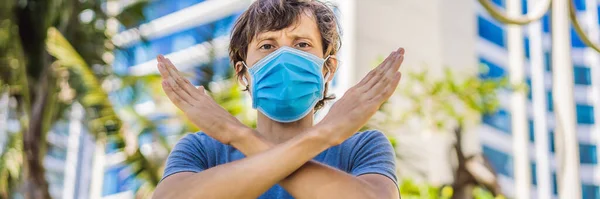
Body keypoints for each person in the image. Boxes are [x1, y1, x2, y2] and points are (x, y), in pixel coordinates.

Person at [152, 0, 404, 198]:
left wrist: (238, 135)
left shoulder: (360, 147)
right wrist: (324, 135)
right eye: (268, 46)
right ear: (243, 74)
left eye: (302, 44)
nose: (284, 56)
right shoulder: (204, 149)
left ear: (328, 69)